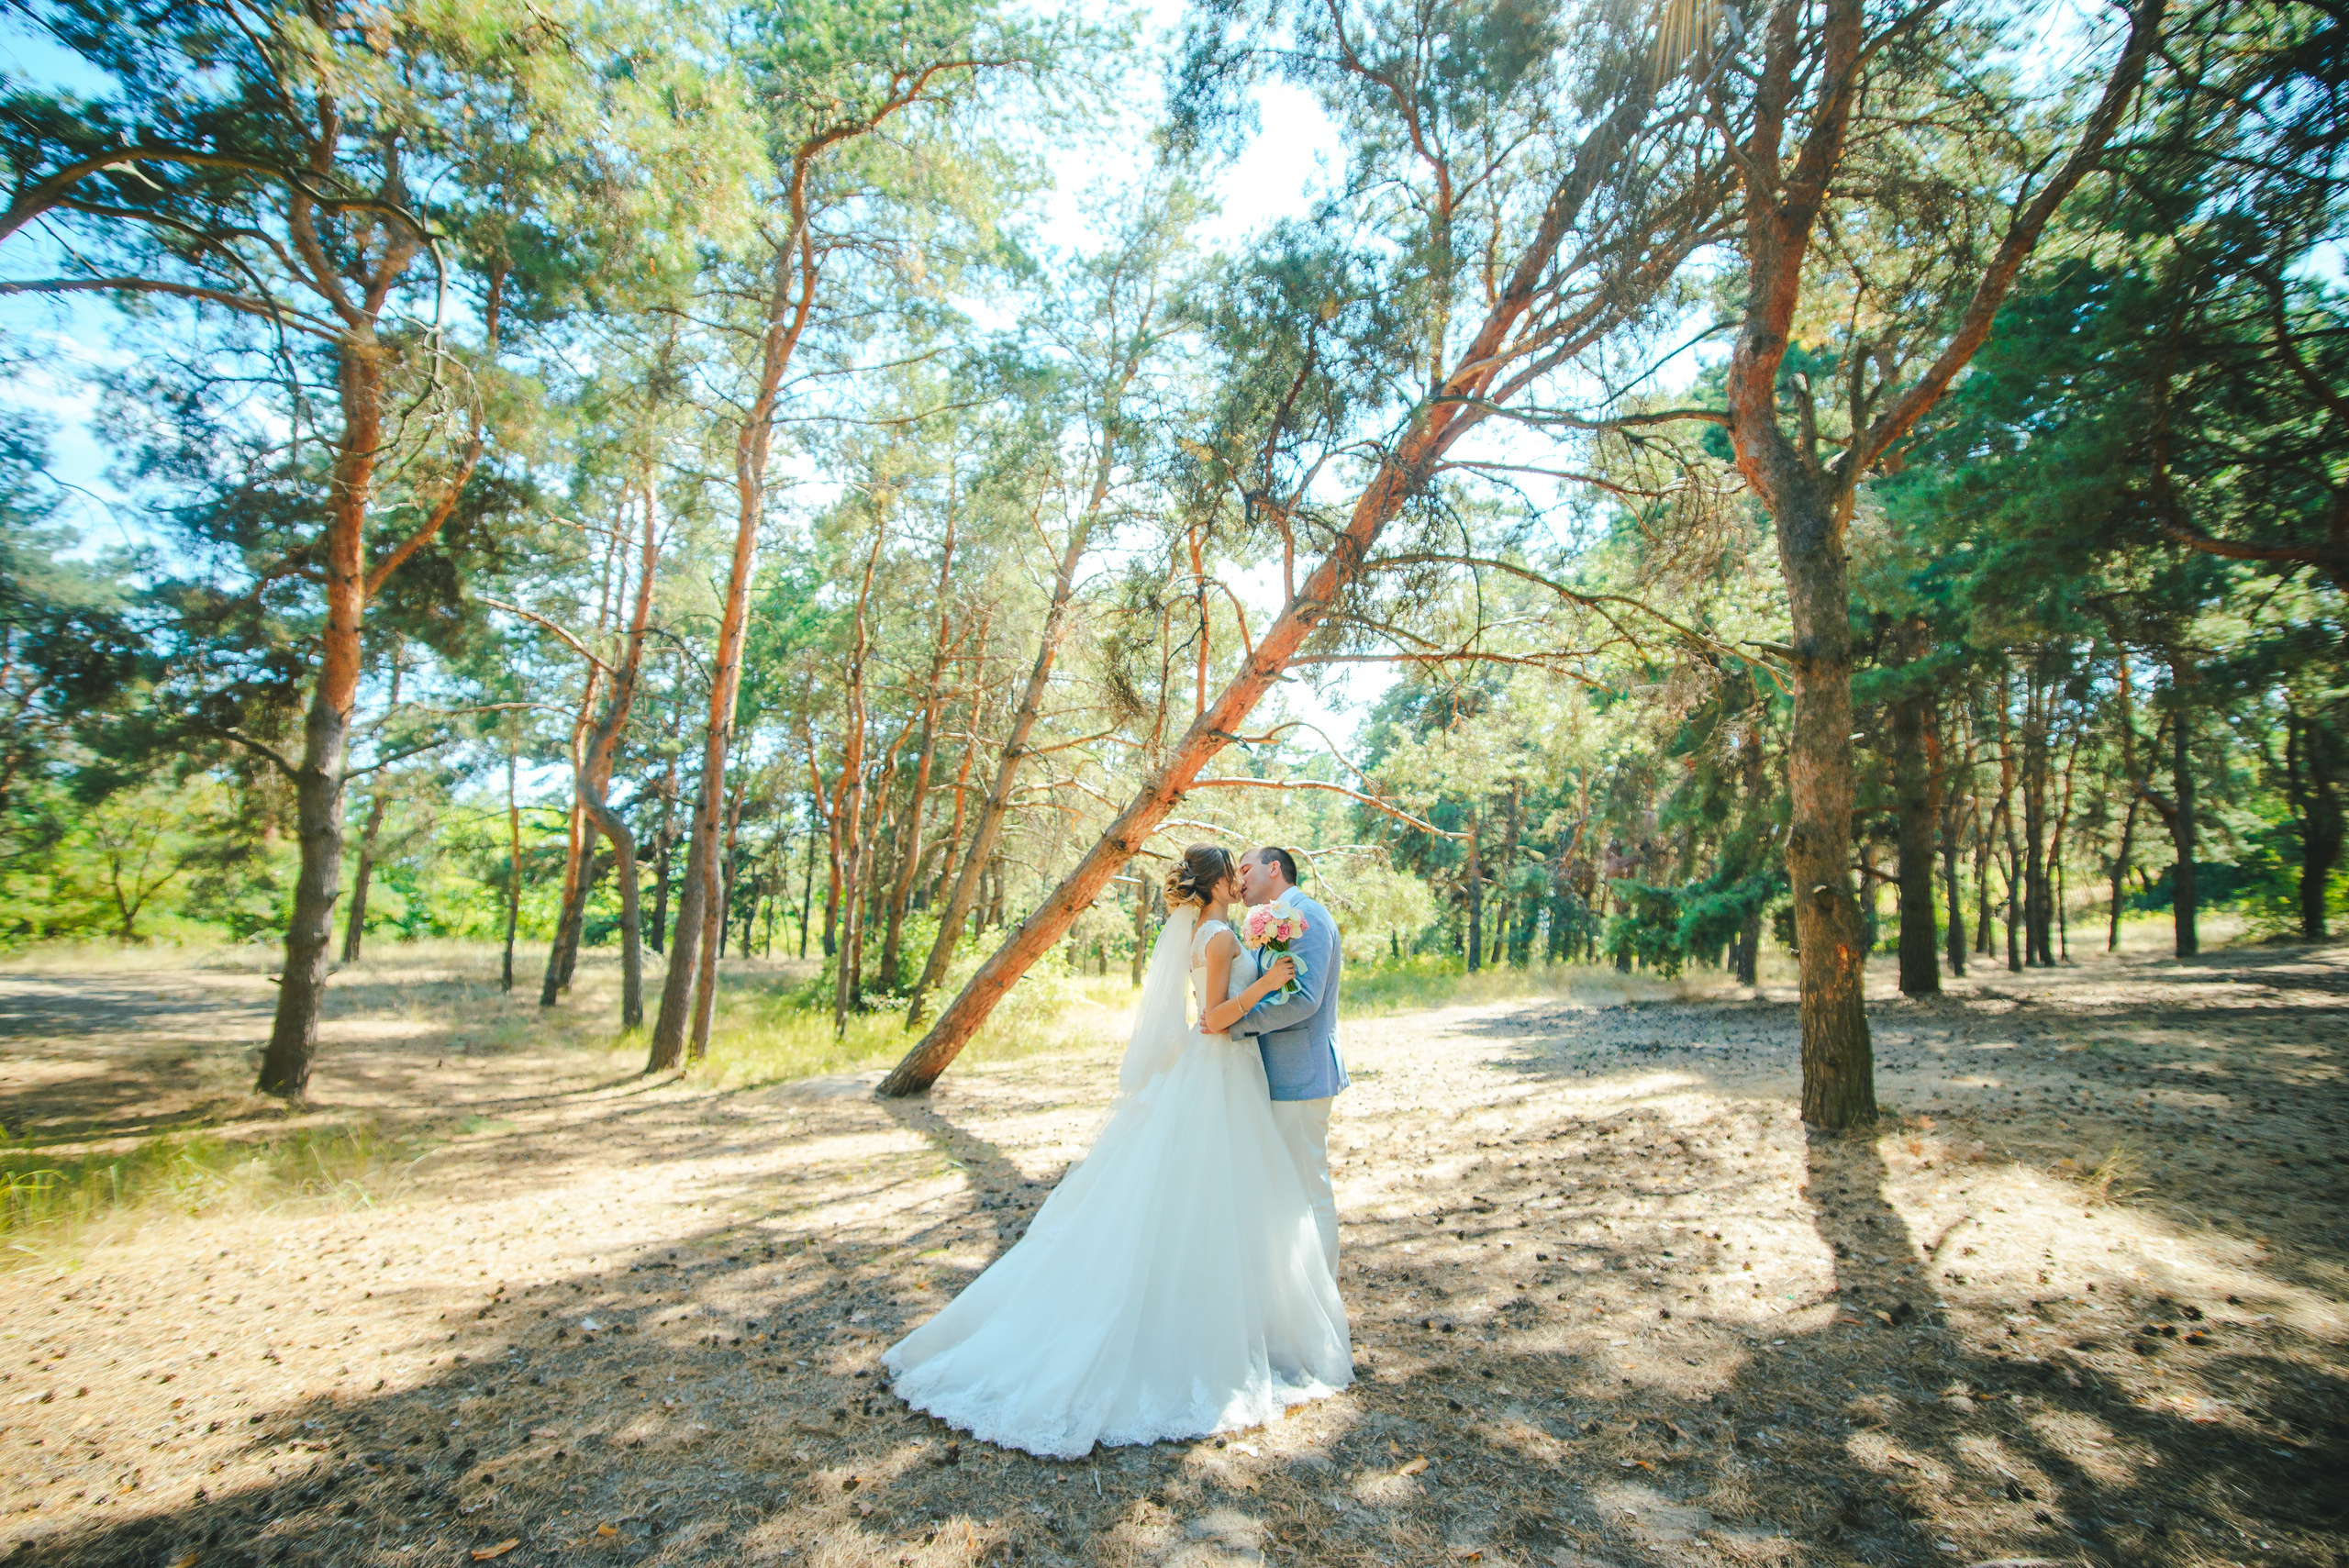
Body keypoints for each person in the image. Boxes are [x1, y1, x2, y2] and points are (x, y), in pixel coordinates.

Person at [882, 844, 1353, 1459]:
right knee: (1221, 1194)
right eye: (1232, 872)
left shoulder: (1229, 928)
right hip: (1220, 1069)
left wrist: (1261, 980)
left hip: (1235, 1076)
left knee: (1235, 1196)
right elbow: (1214, 1018)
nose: (1241, 879)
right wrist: (1265, 980)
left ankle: (1270, 1313)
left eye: (1248, 868)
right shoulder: (1216, 938)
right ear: (1213, 883)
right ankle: (1234, 1322)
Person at [1228, 846, 1346, 1276]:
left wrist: (1235, 1025)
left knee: (1309, 1190)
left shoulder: (1306, 916)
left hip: (1301, 1074)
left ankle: (1324, 1295)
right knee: (1286, 1191)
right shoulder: (1272, 919)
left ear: (1274, 868)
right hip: (1278, 1076)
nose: (1238, 879)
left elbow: (1303, 1001)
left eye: (1245, 868)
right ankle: (1298, 1294)